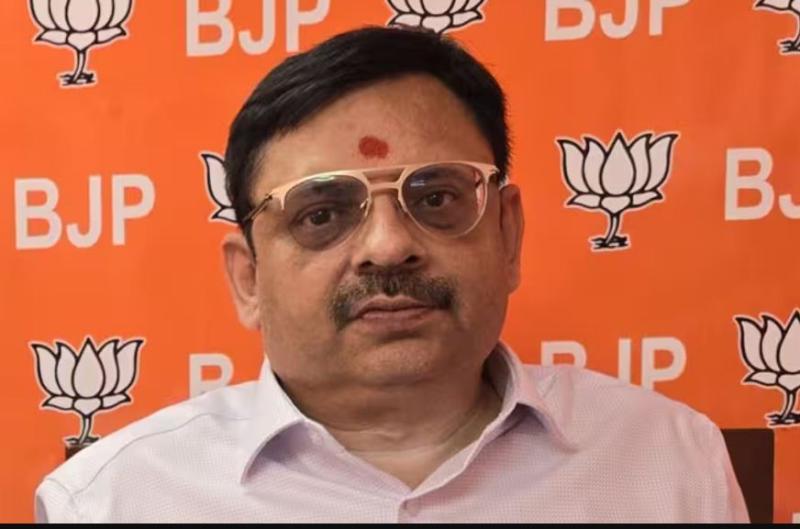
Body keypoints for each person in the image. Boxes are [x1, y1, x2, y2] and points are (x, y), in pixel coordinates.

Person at [34, 26, 749, 523]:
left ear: (508, 235)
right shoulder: (112, 501)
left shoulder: (668, 459)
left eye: (435, 199)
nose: (387, 246)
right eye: (321, 214)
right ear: (248, 278)